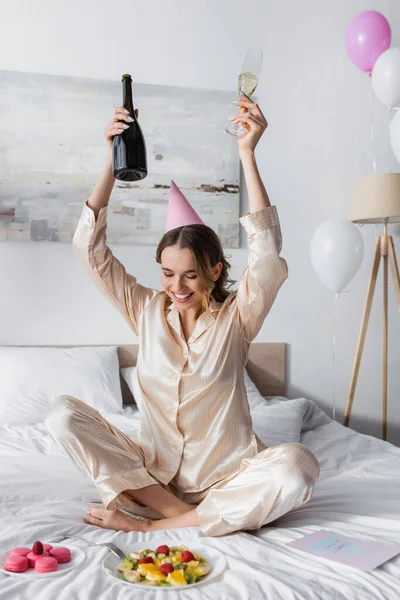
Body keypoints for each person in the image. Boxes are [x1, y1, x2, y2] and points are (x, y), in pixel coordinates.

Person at [45, 93, 319, 537]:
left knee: (297, 466)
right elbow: (89, 250)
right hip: (152, 478)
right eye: (168, 274)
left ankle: (157, 525)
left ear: (214, 270)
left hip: (224, 481)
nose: (177, 288)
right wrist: (111, 160)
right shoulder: (146, 310)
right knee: (60, 413)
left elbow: (266, 256)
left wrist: (247, 154)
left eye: (190, 276)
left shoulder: (238, 319)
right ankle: (172, 511)